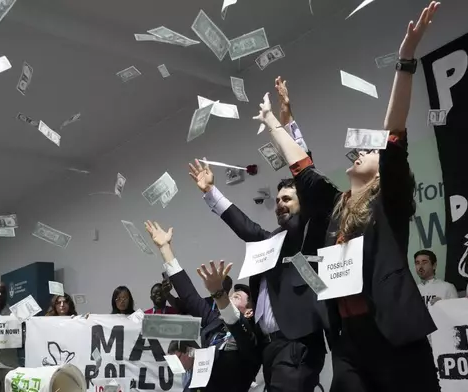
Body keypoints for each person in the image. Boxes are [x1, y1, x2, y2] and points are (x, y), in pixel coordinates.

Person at [252, 3, 441, 391]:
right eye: (359, 151)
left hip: (391, 333)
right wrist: (273, 122)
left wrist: (405, 59)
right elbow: (302, 168)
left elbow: (394, 132)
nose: (360, 153)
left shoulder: (388, 203)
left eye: (369, 152)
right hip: (347, 340)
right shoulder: (334, 205)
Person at [187, 79, 326, 392]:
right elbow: (246, 227)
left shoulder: (305, 233)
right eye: (277, 201)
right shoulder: (270, 242)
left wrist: (287, 122)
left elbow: (307, 179)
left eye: (287, 199)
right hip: (269, 348)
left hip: (298, 343)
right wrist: (210, 191)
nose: (280, 204)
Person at [144, 220, 261, 391]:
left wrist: (218, 293)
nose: (230, 298)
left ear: (249, 311)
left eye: (236, 296)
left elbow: (234, 321)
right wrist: (165, 249)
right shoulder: (214, 322)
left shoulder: (251, 338)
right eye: (230, 295)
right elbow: (189, 295)